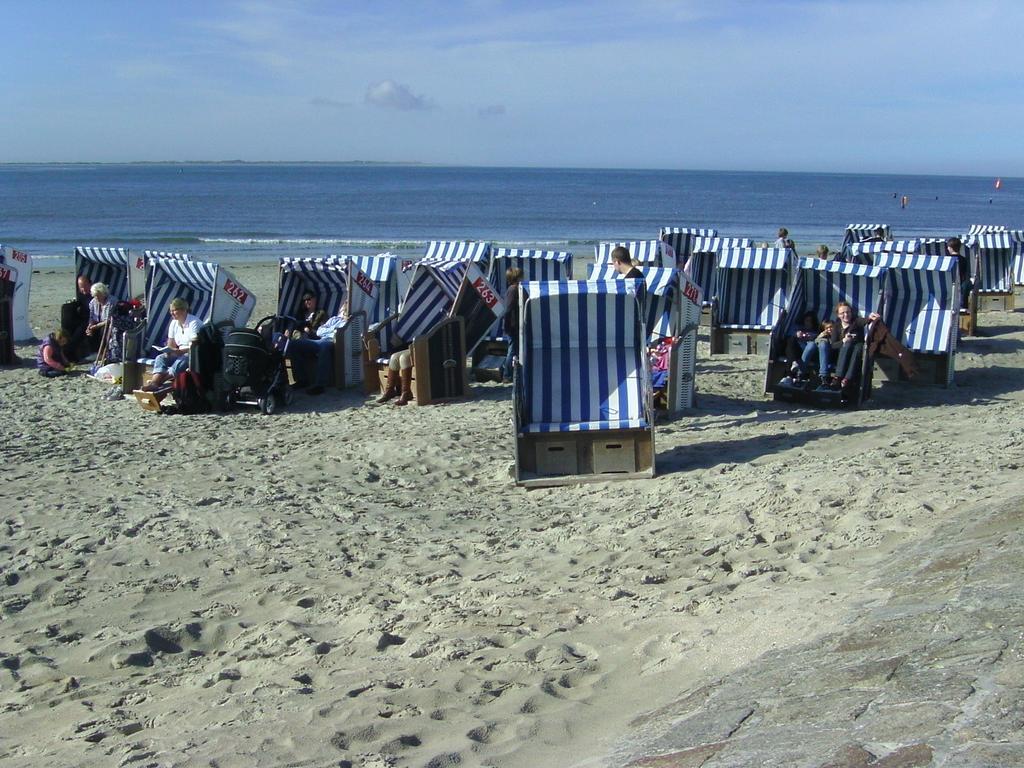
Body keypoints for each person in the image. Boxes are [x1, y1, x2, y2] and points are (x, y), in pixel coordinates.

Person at [141, 298, 202, 391]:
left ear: (184, 310)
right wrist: (168, 351)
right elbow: (171, 343)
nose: (172, 313)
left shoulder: (194, 323)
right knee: (160, 358)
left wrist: (180, 351)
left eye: (175, 310)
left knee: (183, 359)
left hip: (194, 354)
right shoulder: (174, 323)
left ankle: (159, 382)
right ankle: (154, 383)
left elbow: (196, 345)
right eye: (171, 310)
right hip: (180, 352)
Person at [287, 304, 348, 395]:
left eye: (344, 310)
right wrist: (334, 329)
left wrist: (332, 330)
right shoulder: (334, 319)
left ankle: (320, 385)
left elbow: (339, 333)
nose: (341, 311)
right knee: (293, 344)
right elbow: (320, 331)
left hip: (334, 342)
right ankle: (302, 380)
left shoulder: (347, 323)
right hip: (320, 340)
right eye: (342, 309)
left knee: (324, 347)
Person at [824, 301, 880, 394]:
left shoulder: (855, 321)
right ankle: (839, 377)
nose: (846, 315)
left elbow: (864, 320)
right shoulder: (836, 327)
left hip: (856, 351)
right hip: (841, 355)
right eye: (842, 313)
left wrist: (870, 318)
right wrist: (843, 341)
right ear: (838, 315)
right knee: (847, 344)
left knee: (858, 346)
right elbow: (833, 345)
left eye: (848, 312)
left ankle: (845, 378)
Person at [500, 267, 523, 383]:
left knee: (514, 349)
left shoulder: (513, 289)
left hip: (512, 325)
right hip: (513, 326)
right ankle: (507, 375)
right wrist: (507, 326)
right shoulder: (513, 290)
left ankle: (509, 374)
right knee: (512, 350)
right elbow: (508, 310)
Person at [64, 275, 93, 361]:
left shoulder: (95, 295)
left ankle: (70, 353)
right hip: (83, 318)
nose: (83, 289)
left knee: (80, 331)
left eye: (85, 286)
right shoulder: (81, 295)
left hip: (92, 319)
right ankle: (66, 351)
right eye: (81, 287)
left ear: (90, 284)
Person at [86, 282, 114, 358]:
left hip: (109, 324)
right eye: (95, 296)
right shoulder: (93, 302)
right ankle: (95, 353)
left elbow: (109, 319)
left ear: (103, 293)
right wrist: (90, 326)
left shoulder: (111, 302)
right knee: (89, 331)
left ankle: (105, 353)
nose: (96, 298)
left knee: (103, 330)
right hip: (97, 323)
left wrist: (96, 326)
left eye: (98, 296)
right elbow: (91, 317)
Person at [947, 237, 972, 309]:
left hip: (951, 284)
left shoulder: (948, 260)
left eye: (948, 247)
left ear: (951, 248)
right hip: (961, 284)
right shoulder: (964, 259)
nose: (947, 249)